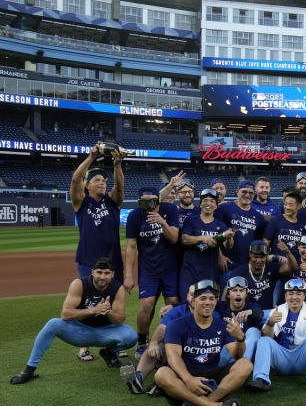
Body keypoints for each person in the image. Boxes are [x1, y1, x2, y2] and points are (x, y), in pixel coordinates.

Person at [11, 257, 137, 384]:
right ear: (92, 272)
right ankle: (29, 370)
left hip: (105, 332)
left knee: (131, 336)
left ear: (112, 274)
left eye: (106, 273)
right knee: (53, 324)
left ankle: (109, 353)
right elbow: (65, 314)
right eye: (99, 272)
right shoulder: (79, 284)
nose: (102, 277)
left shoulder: (117, 288)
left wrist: (108, 311)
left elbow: (120, 321)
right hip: (80, 331)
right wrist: (93, 310)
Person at [154, 280, 252, 406]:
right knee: (161, 373)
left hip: (211, 376)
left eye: (212, 299)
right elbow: (173, 357)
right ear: (193, 301)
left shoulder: (222, 325)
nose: (208, 302)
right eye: (203, 298)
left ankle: (199, 405)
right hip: (184, 377)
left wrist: (240, 339)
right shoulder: (176, 325)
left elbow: (237, 355)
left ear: (216, 302)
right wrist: (188, 379)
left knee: (246, 364)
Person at [70, 142, 125, 363]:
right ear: (87, 186)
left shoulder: (112, 203)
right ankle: (83, 346)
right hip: (89, 260)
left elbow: (119, 189)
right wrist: (92, 157)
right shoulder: (81, 203)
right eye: (97, 180)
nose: (102, 183)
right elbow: (75, 180)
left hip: (113, 261)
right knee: (86, 301)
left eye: (104, 180)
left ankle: (111, 344)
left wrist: (117, 166)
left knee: (113, 300)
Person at [123, 186, 181, 355]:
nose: (149, 204)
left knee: (173, 303)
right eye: (145, 201)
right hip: (148, 268)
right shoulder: (135, 216)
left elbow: (174, 238)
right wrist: (128, 275)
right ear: (140, 202)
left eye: (153, 201)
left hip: (170, 267)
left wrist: (162, 222)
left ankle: (173, 340)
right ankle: (142, 341)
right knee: (147, 306)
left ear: (159, 200)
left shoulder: (169, 210)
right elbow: (132, 246)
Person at [248, 279, 306, 391]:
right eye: (291, 293)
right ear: (285, 296)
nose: (294, 297)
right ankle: (261, 379)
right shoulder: (277, 310)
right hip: (282, 358)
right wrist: (270, 323)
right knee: (264, 340)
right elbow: (268, 337)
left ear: (304, 296)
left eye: (299, 293)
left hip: (302, 359)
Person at [179, 188, 233, 302]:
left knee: (206, 305)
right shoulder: (191, 220)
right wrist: (203, 238)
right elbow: (184, 239)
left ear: (216, 206)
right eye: (205, 200)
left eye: (212, 201)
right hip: (190, 272)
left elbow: (228, 246)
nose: (208, 203)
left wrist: (229, 238)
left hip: (210, 273)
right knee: (187, 303)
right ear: (200, 204)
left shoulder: (220, 225)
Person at [215, 180, 268, 282]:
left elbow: (258, 242)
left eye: (251, 193)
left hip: (247, 267)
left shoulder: (258, 217)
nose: (247, 195)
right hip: (227, 265)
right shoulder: (223, 208)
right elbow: (213, 233)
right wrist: (220, 256)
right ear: (237, 191)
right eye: (244, 191)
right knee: (225, 296)